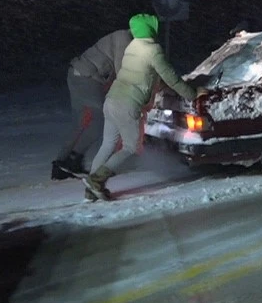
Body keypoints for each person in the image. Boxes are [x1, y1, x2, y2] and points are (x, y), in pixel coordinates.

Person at [85, 13, 204, 201]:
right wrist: (193, 94)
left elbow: (149, 77)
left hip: (112, 100)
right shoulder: (153, 50)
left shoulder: (132, 47)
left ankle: (91, 189)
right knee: (132, 147)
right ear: (150, 29)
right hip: (128, 104)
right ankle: (96, 180)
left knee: (108, 144)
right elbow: (171, 78)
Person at [51, 26, 133, 180]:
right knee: (100, 120)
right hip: (86, 78)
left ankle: (63, 162)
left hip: (80, 75)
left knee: (84, 122)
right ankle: (71, 159)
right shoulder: (124, 39)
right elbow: (122, 71)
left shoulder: (121, 37)